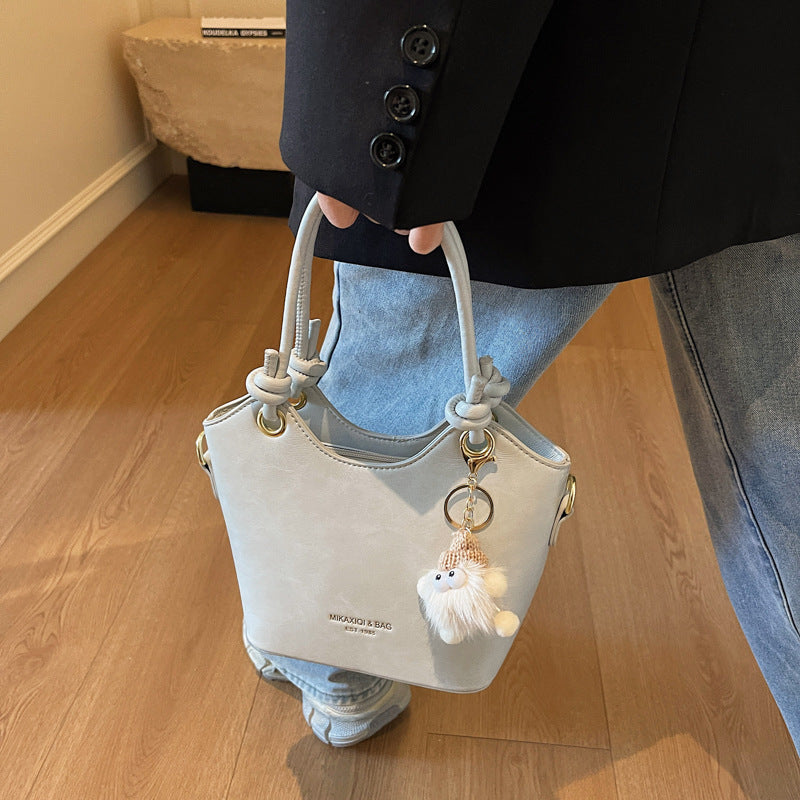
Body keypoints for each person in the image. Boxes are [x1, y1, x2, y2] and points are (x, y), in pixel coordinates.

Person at [245, 1, 800, 749]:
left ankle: (333, 655)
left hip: (530, 70)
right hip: (769, 63)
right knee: (786, 442)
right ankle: (334, 654)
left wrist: (372, 105)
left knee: (393, 404)